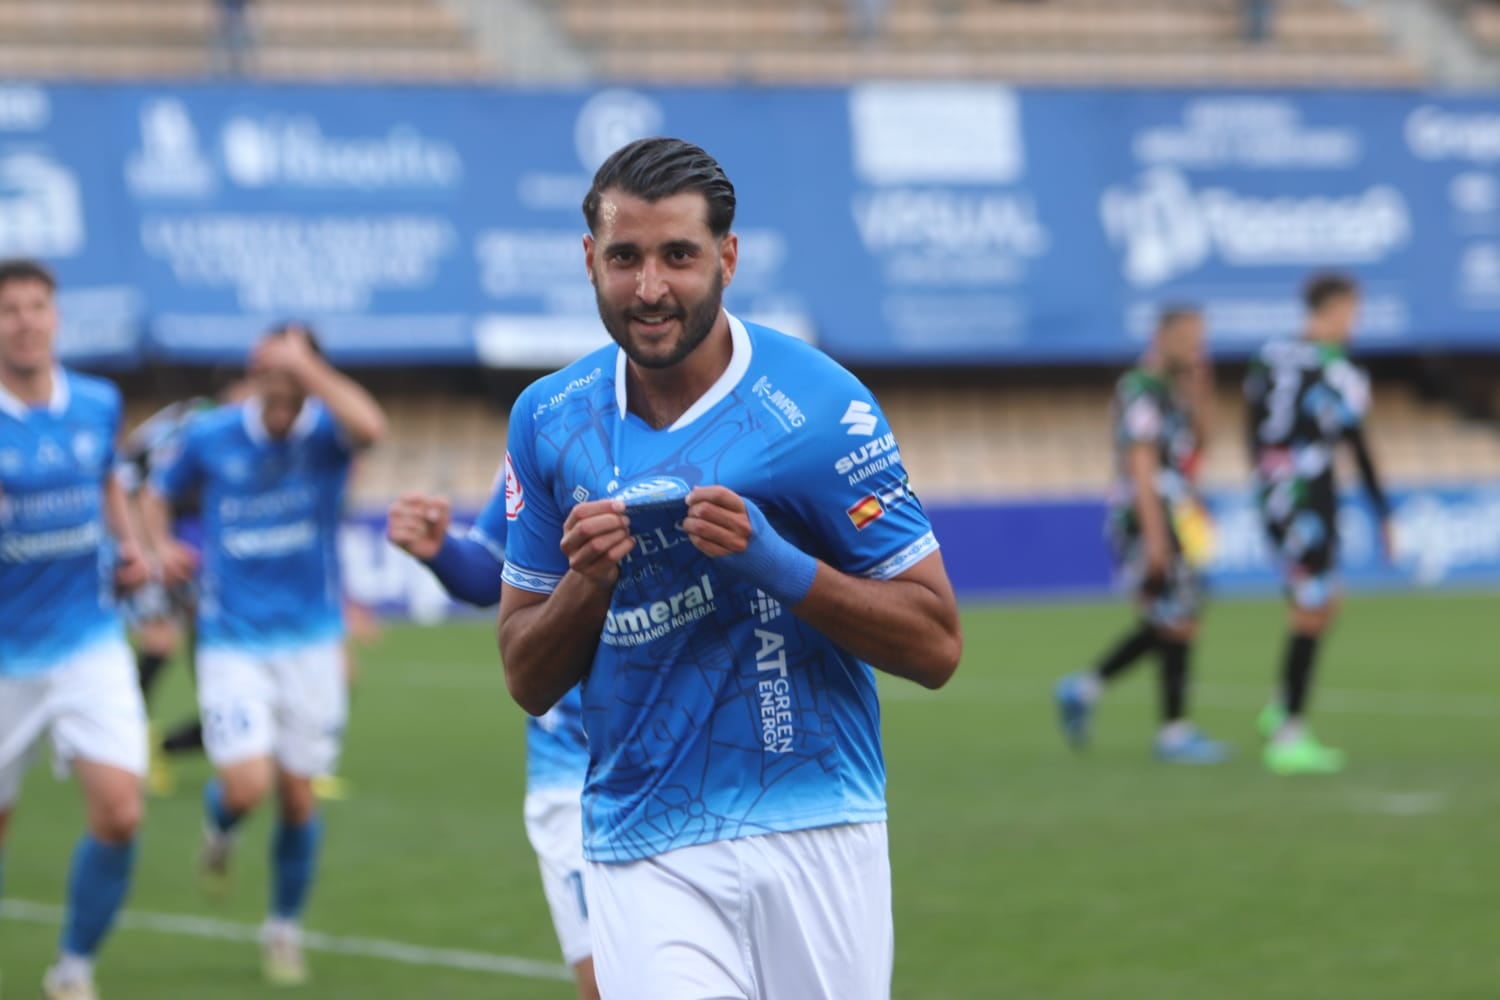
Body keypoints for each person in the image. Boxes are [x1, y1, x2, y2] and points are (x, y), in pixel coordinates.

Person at [497, 136, 963, 999]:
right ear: (589, 259)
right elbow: (526, 675)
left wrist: (778, 564)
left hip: (818, 825)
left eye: (679, 255)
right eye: (625, 258)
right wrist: (587, 583)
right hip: (643, 839)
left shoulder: (822, 406)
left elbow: (935, 644)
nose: (650, 289)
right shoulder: (548, 419)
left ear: (728, 257)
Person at [141, 323, 386, 983]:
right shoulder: (212, 433)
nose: (281, 370)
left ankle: (282, 928)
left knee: (300, 800)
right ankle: (219, 831)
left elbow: (372, 427)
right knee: (248, 784)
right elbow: (156, 494)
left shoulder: (327, 434)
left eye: (297, 360)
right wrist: (160, 545)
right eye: (274, 358)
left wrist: (306, 368)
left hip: (310, 642)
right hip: (232, 640)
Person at [0, 258, 151, 1000]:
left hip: (87, 638)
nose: (24, 321)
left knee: (121, 812)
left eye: (35, 307)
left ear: (55, 317)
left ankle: (72, 970)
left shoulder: (97, 402)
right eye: (9, 310)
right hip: (4, 655)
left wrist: (130, 552)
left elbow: (106, 484)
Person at [386, 489, 597, 999]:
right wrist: (440, 551)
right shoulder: (549, 420)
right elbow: (491, 572)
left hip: (706, 758)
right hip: (572, 768)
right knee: (609, 985)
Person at [1054, 307, 1228, 763]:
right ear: (1162, 336)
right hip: (1147, 516)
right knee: (1177, 617)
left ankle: (1086, 688)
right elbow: (1141, 466)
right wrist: (1155, 539)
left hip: (1176, 513)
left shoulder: (1174, 391)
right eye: (1189, 338)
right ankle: (1173, 732)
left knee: (1174, 618)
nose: (1196, 348)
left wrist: (1202, 389)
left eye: (1200, 340)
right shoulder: (1141, 392)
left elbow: (1203, 444)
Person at [1245, 273, 1392, 775]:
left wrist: (1265, 491)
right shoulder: (1339, 367)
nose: (1355, 321)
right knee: (1313, 606)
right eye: (1353, 310)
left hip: (1276, 489)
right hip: (1310, 493)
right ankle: (1288, 734)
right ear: (1335, 308)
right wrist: (1384, 512)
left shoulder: (1270, 355)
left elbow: (1253, 430)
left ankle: (1281, 707)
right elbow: (1358, 443)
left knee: (1322, 601)